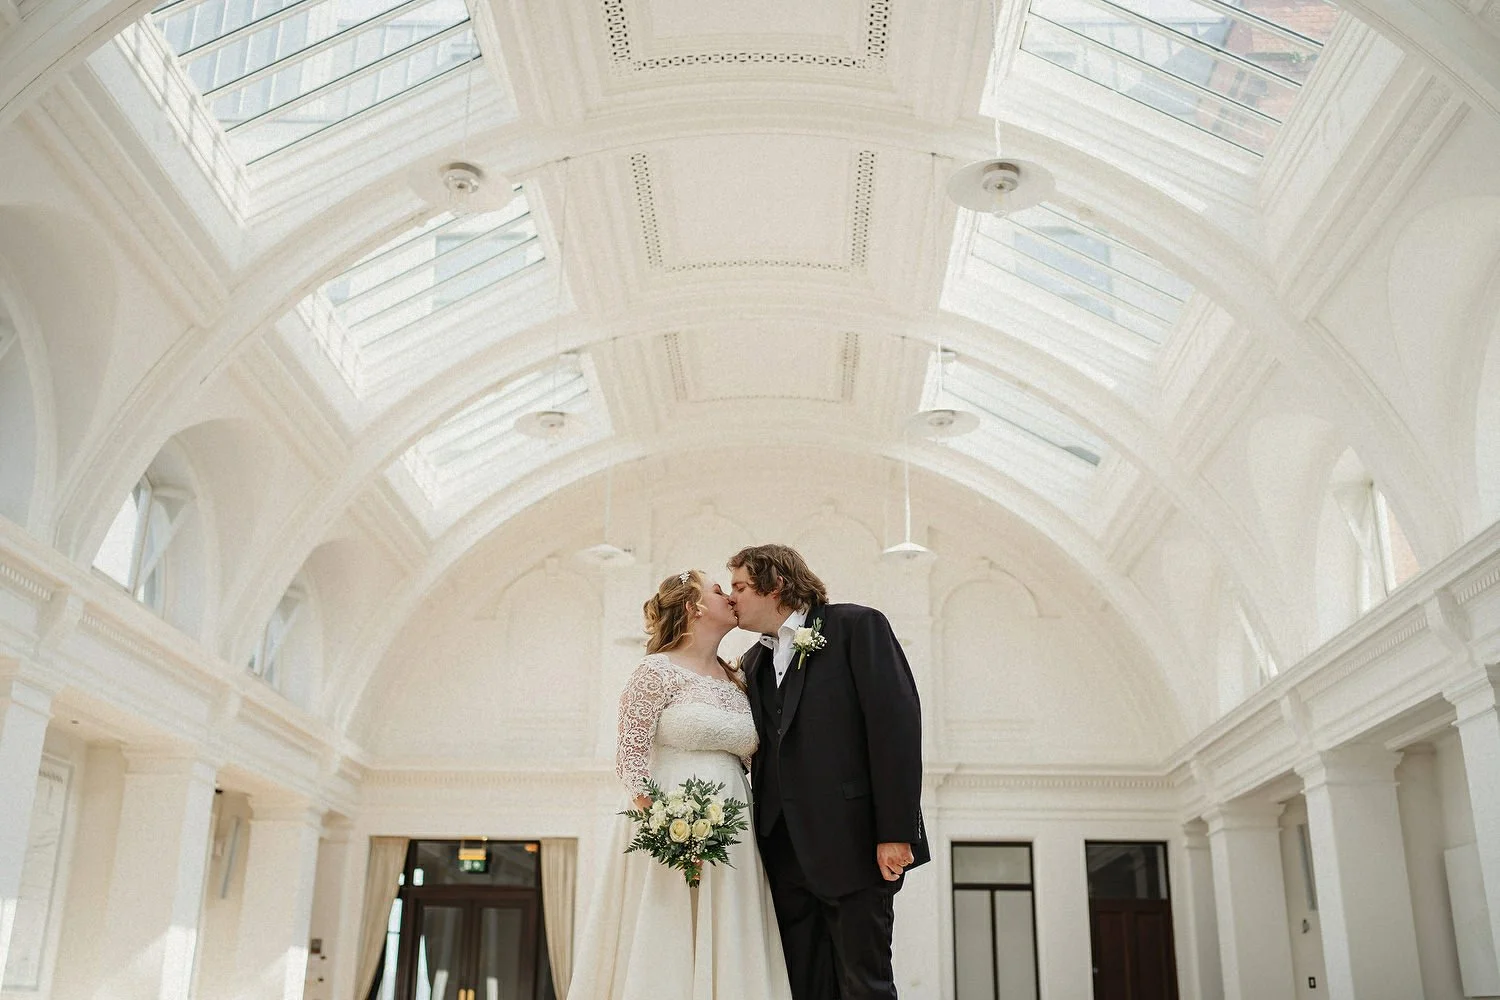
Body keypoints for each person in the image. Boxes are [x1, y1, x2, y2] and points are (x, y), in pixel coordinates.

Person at [569, 570, 794, 999]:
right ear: (693, 607)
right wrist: (668, 823)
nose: (729, 595)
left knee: (730, 929)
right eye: (717, 590)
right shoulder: (654, 672)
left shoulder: (740, 678)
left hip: (734, 829)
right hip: (667, 828)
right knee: (667, 930)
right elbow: (631, 761)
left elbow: (754, 755)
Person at [728, 544, 928, 1000]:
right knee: (803, 985)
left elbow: (895, 729)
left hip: (854, 844)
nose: (733, 597)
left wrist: (896, 831)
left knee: (866, 984)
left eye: (740, 586)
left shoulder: (856, 626)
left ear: (775, 583)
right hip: (781, 851)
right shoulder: (754, 662)